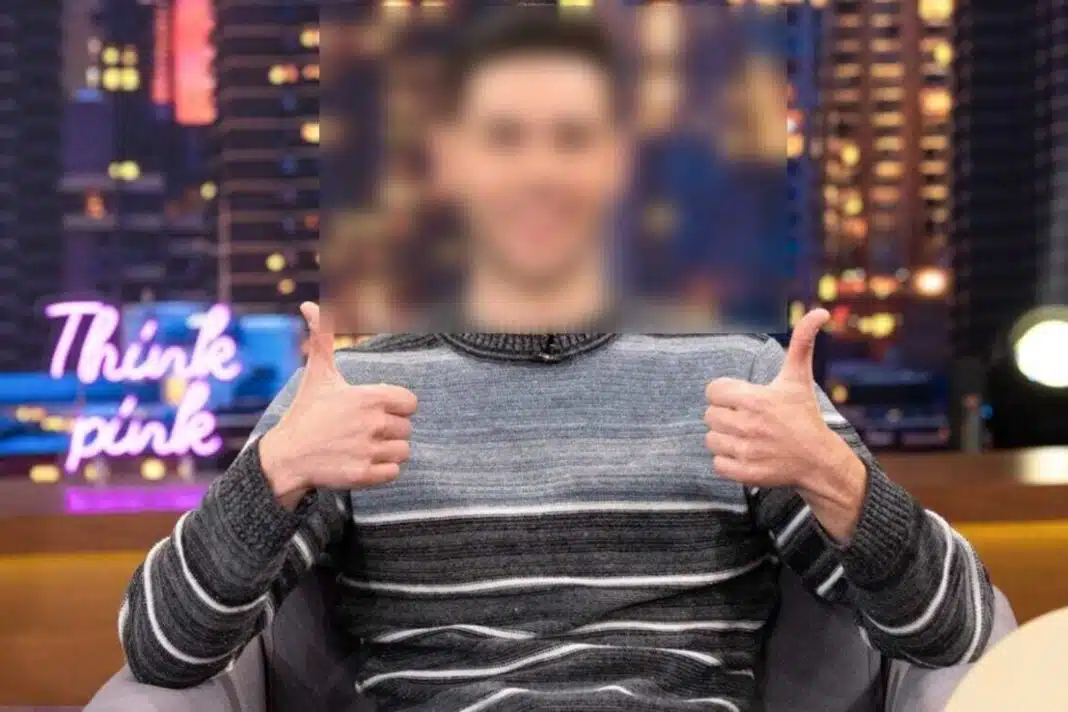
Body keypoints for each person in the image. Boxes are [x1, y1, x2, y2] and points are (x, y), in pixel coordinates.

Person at [118, 11, 994, 712]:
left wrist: (838, 481)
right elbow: (164, 651)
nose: (539, 171)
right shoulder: (350, 396)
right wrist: (273, 474)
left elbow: (954, 635)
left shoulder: (744, 379)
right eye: (504, 138)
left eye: (572, 138)